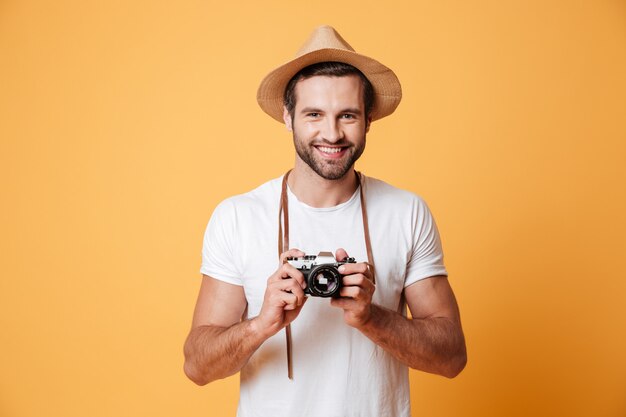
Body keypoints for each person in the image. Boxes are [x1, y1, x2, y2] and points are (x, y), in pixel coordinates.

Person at [183, 25, 466, 417]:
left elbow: (451, 357)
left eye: (347, 115)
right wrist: (261, 323)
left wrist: (372, 316)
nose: (331, 133)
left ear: (368, 120)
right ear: (288, 117)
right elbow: (197, 366)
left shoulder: (406, 212)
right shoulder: (238, 217)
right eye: (314, 114)